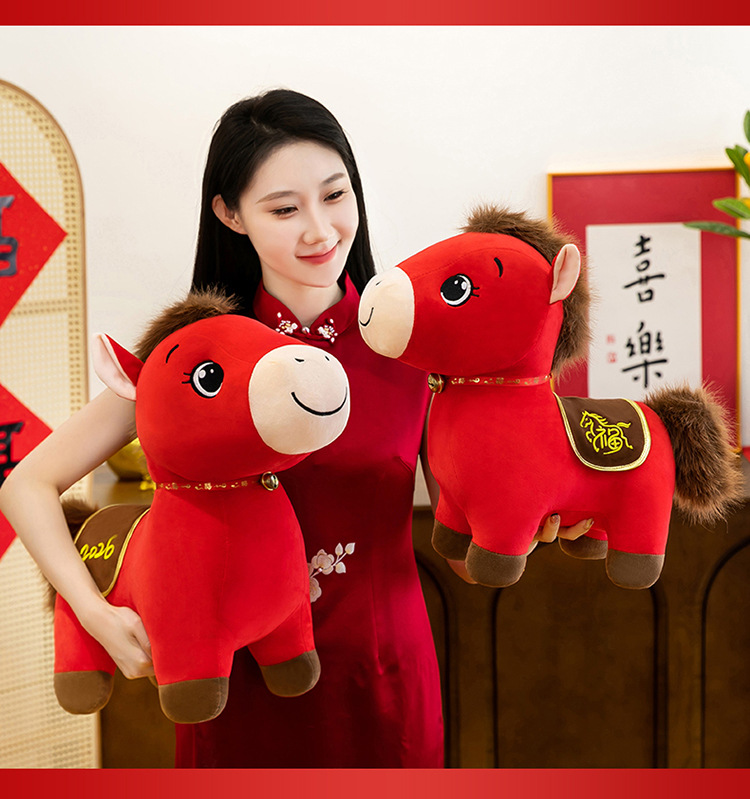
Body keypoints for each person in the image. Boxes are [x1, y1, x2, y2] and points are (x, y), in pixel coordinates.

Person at [0, 88, 586, 768]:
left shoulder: (416, 344)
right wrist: (94, 613)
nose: (319, 229)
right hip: (231, 685)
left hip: (383, 679)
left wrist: (536, 523)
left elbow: (462, 552)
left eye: (335, 196)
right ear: (230, 214)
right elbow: (25, 485)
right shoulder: (199, 364)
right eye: (284, 209)